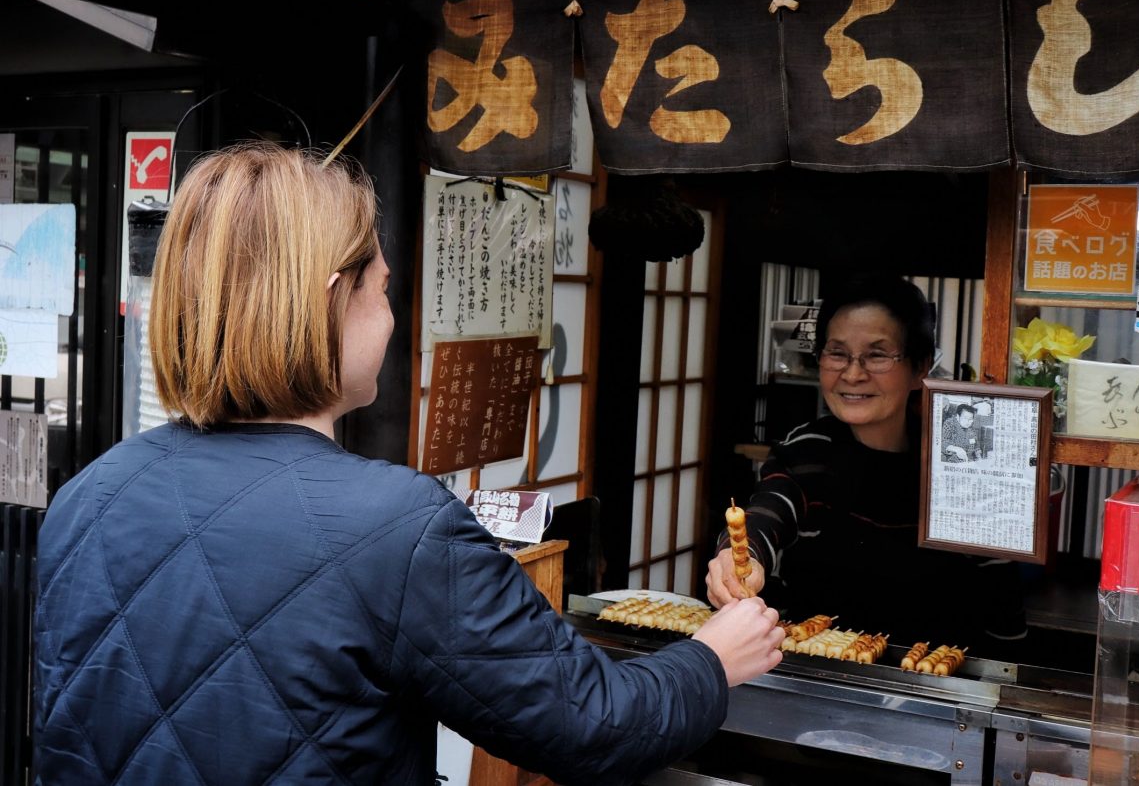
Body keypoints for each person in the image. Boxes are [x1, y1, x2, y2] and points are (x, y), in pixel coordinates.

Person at [34, 143, 784, 786]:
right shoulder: (394, 527)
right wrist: (712, 658)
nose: (391, 318)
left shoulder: (88, 495)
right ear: (335, 299)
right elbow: (594, 726)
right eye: (384, 288)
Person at [705, 275, 1026, 654]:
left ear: (919, 366)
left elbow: (1002, 599)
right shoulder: (805, 451)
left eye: (876, 355)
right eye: (837, 353)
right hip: (817, 675)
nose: (853, 374)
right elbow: (766, 515)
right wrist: (737, 558)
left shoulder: (964, 461)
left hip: (942, 684)